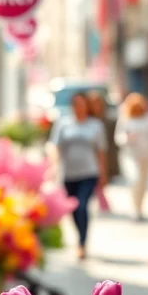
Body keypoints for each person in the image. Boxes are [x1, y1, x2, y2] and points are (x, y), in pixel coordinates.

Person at [50, 93, 108, 260]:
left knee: (82, 206)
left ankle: (82, 243)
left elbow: (101, 151)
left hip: (89, 173)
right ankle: (79, 235)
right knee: (73, 208)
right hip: (69, 174)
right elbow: (55, 146)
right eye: (76, 104)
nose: (79, 107)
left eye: (82, 104)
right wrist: (54, 165)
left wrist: (103, 174)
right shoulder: (63, 124)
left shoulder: (95, 125)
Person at [115, 93, 148, 220]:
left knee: (143, 184)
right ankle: (135, 208)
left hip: (146, 157)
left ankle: (139, 207)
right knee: (135, 180)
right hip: (130, 156)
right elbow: (118, 137)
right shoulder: (125, 119)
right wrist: (127, 138)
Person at [87, 91, 115, 214]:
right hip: (88, 155)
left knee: (100, 179)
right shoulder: (87, 120)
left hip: (101, 154)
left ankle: (102, 202)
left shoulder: (106, 120)